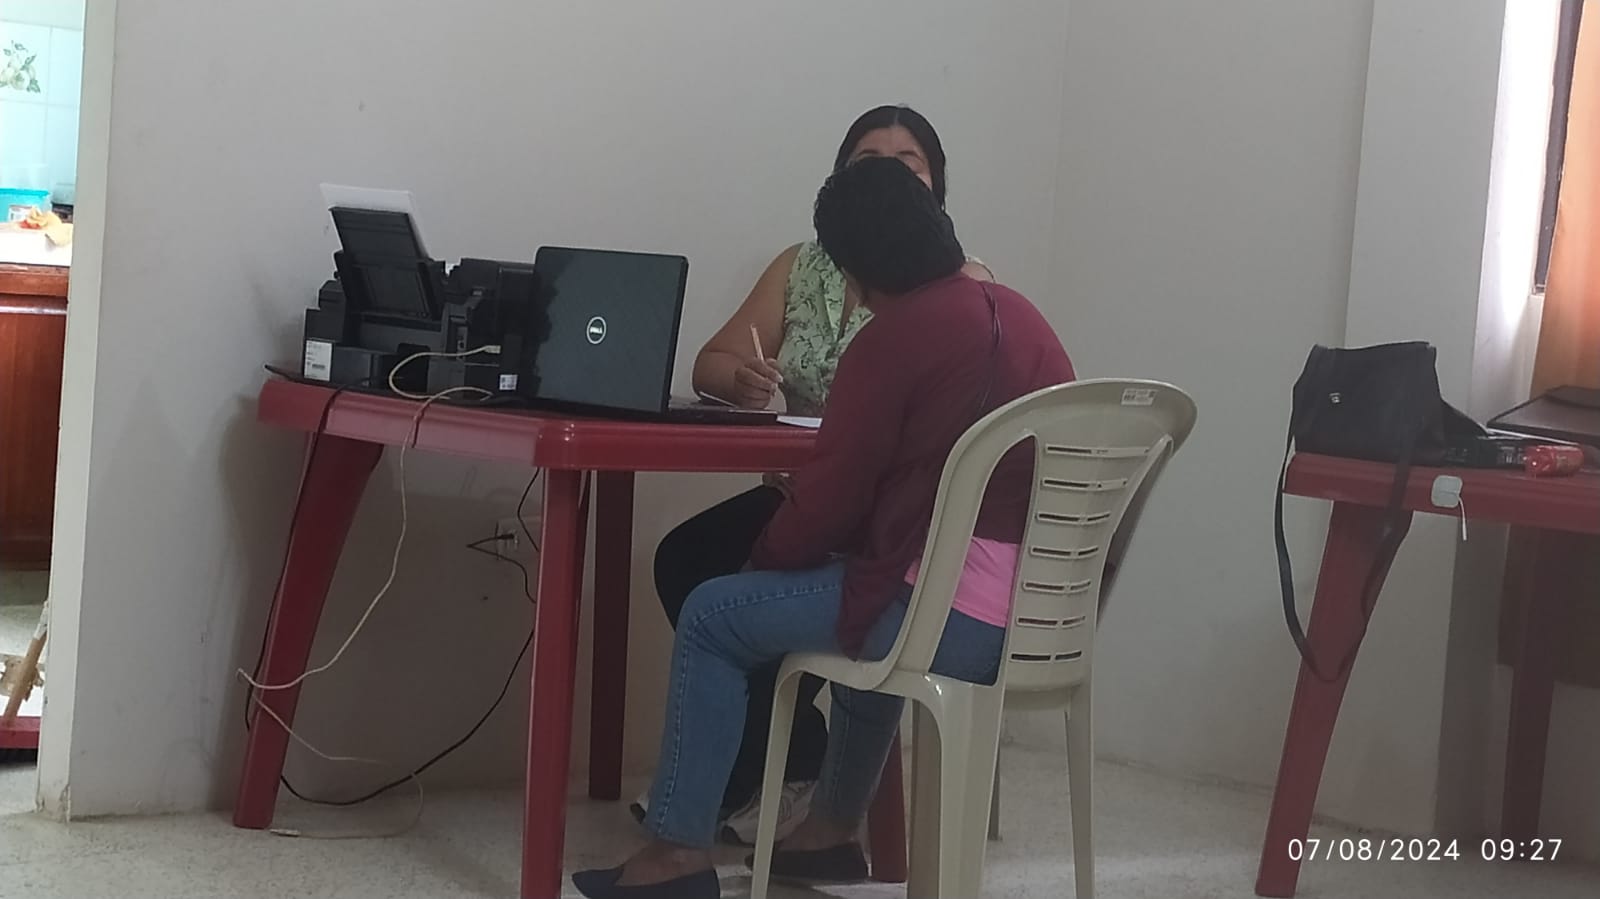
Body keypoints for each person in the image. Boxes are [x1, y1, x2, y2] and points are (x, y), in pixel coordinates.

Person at [575, 157, 1076, 899]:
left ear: (854, 271)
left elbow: (826, 508)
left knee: (714, 613)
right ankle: (830, 834)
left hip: (940, 616)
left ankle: (674, 857)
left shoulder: (892, 340)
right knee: (870, 594)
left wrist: (763, 561)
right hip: (1040, 617)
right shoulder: (1025, 320)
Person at [643, 104, 994, 844]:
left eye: (907, 163)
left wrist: (778, 552)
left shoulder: (959, 292)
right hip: (811, 491)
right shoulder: (802, 264)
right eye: (868, 162)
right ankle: (780, 763)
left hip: (890, 522)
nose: (887, 177)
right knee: (687, 558)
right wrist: (741, 379)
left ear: (936, 185)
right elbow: (712, 360)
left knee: (738, 594)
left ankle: (759, 789)